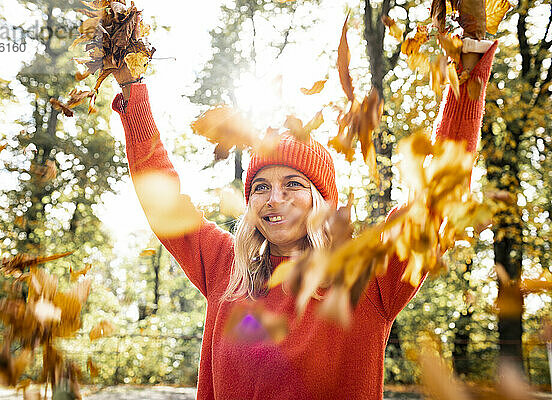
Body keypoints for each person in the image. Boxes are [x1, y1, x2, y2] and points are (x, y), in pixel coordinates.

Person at [111, 39, 497, 399]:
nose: (273, 199)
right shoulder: (225, 268)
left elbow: (439, 190)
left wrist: (468, 67)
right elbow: (161, 199)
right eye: (260, 187)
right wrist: (132, 85)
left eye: (292, 184)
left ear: (321, 200)